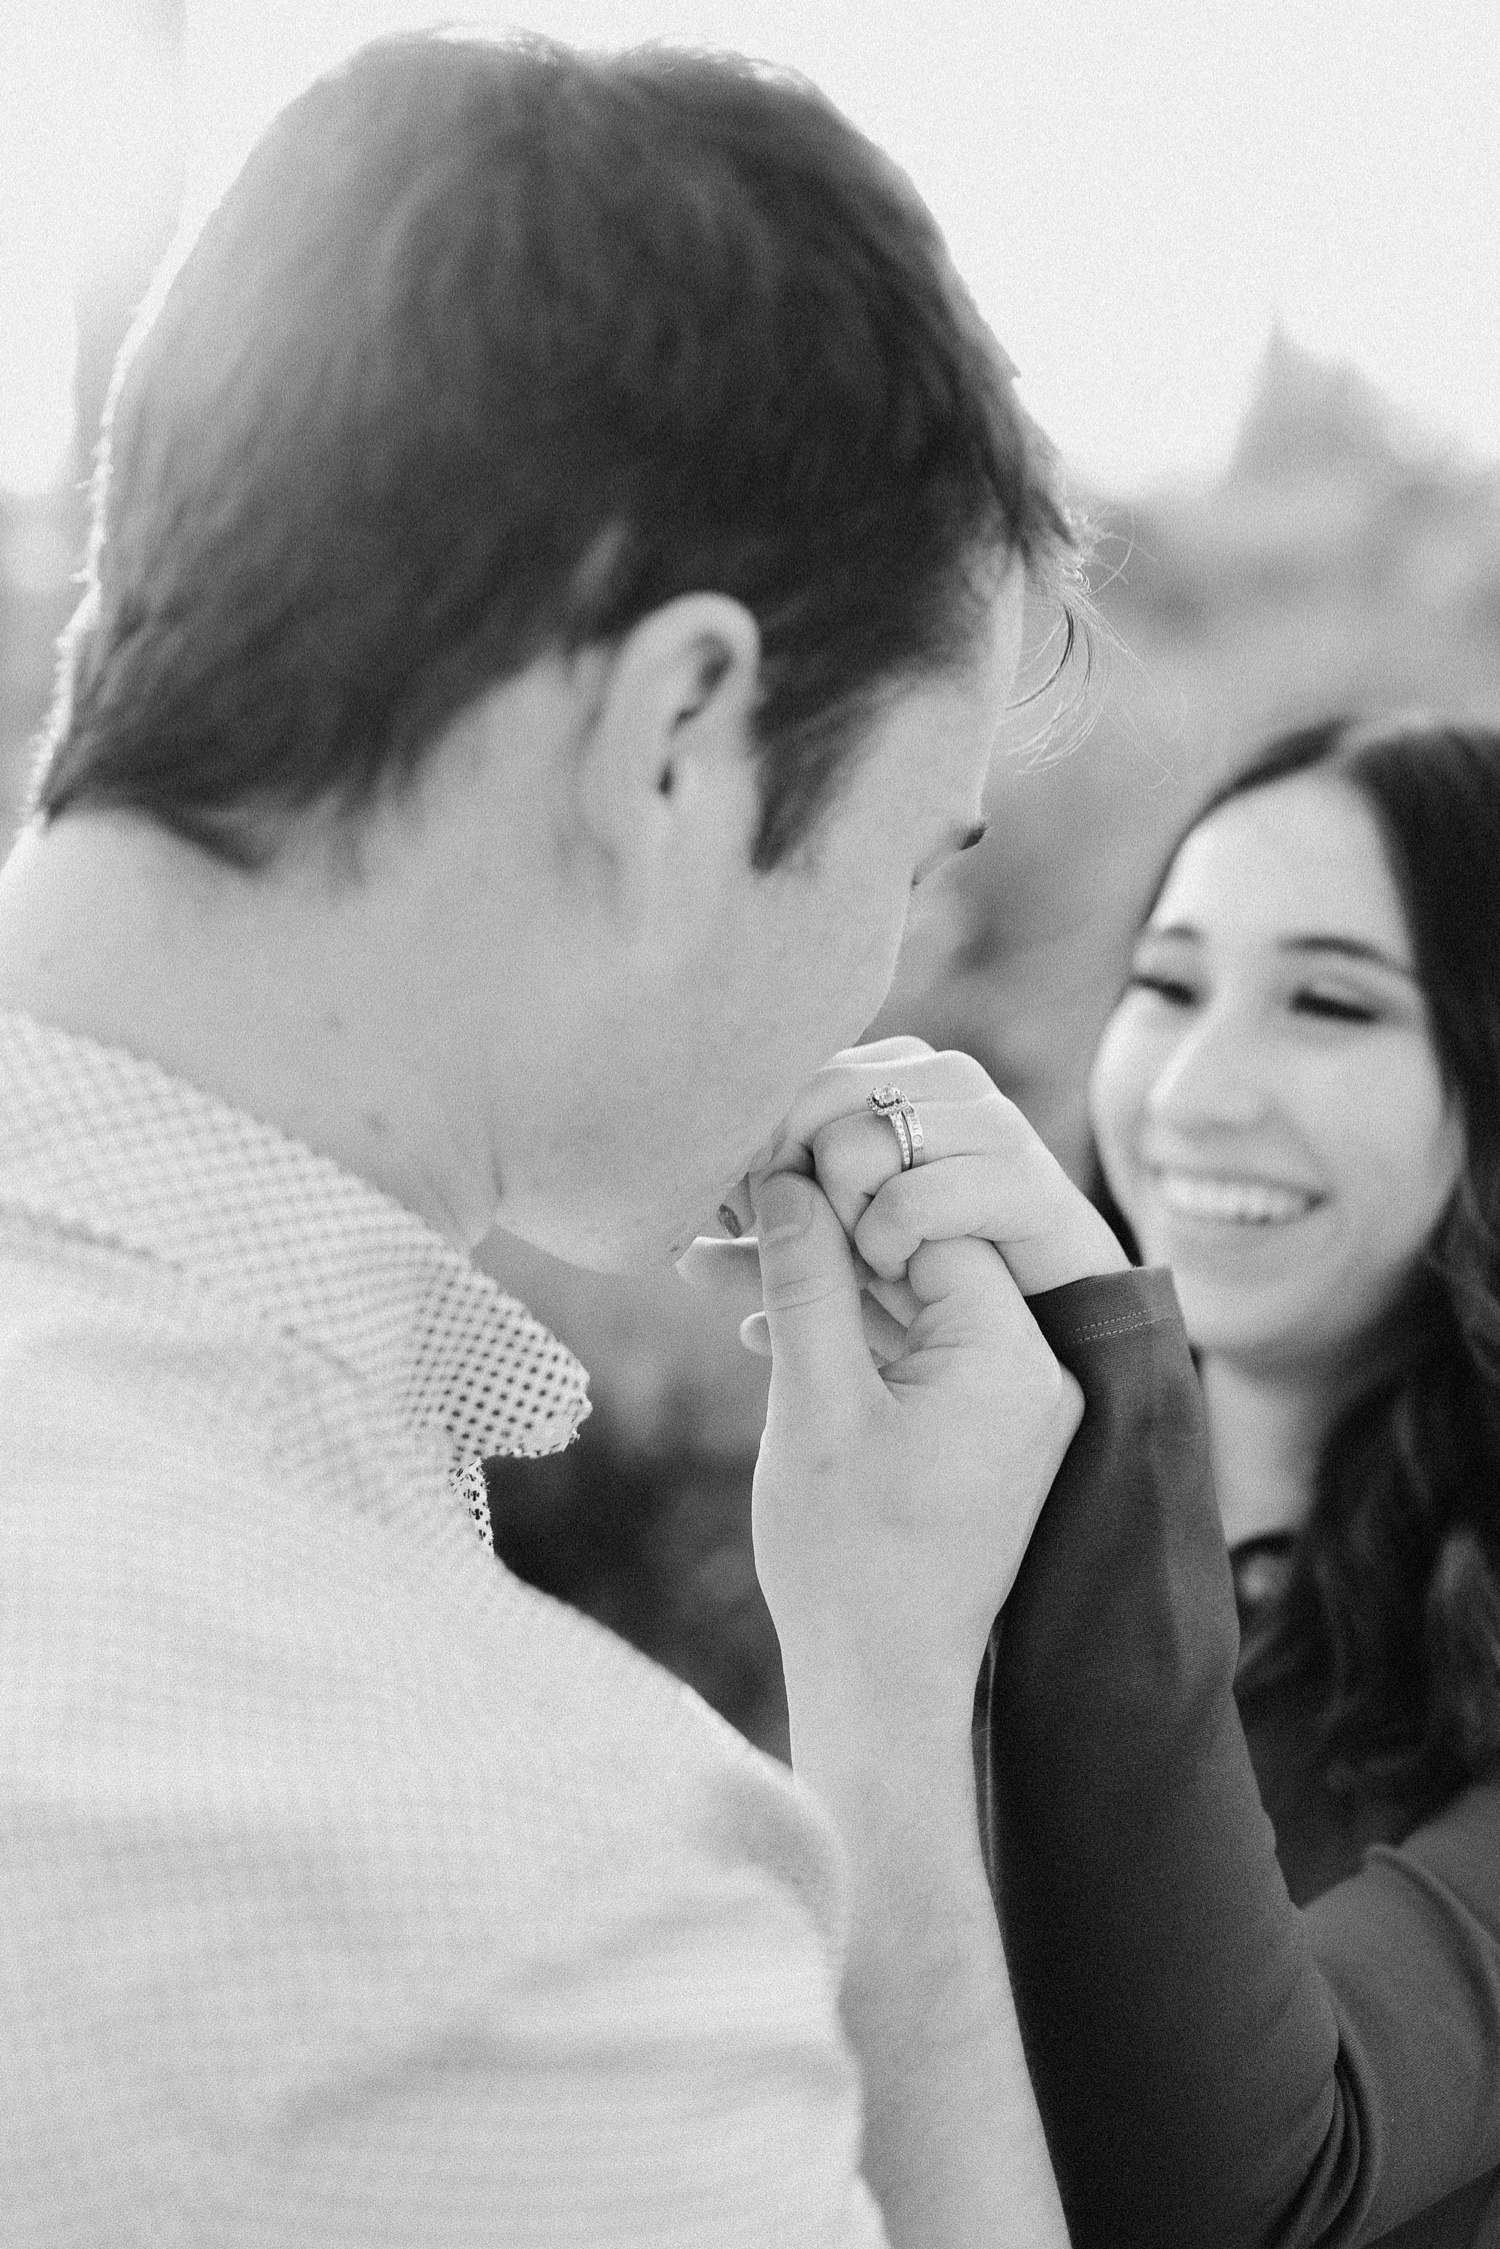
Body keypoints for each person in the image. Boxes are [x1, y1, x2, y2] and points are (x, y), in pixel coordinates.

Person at [0, 28, 1142, 2247]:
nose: (880, 984)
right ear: (683, 733)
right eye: (911, 853)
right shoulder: (507, 1903)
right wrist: (894, 1744)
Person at [970, 714, 1500, 2246]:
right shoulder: (966, 1527)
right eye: (1169, 984)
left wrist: (1103, 1377)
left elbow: (1250, 2185)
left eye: (1330, 1002)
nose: (1197, 1089)